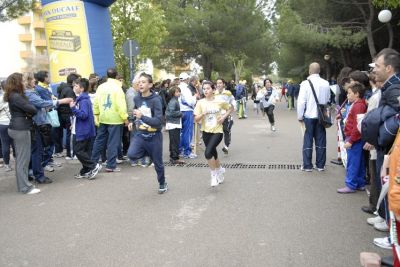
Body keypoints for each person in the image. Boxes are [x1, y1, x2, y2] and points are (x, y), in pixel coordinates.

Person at [25, 72, 73, 184]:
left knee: (37, 149)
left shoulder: (32, 91)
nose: (34, 81)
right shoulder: (31, 93)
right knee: (39, 150)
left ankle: (32, 171)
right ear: (28, 81)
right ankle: (39, 174)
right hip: (38, 124)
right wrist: (61, 101)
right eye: (32, 80)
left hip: (36, 123)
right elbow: (42, 103)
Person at [127, 73, 168, 194]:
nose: (140, 84)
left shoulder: (156, 100)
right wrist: (131, 120)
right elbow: (135, 112)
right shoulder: (137, 98)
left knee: (158, 164)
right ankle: (149, 154)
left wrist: (142, 117)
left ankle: (162, 183)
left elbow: (158, 122)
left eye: (144, 82)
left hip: (154, 136)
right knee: (131, 155)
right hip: (140, 134)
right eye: (139, 82)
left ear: (150, 85)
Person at [4, 73, 40, 194]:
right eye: (23, 81)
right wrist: (28, 113)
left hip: (17, 127)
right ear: (17, 82)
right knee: (23, 160)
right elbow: (33, 109)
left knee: (21, 159)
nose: (25, 83)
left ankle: (24, 185)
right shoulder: (17, 96)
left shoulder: (12, 95)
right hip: (21, 129)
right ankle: (25, 187)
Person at [194, 81, 233, 187]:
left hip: (218, 131)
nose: (206, 90)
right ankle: (220, 170)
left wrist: (224, 117)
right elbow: (196, 119)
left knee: (207, 153)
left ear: (213, 89)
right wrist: (203, 114)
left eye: (208, 88)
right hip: (206, 132)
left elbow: (231, 108)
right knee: (213, 154)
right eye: (204, 89)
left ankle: (213, 175)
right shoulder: (200, 102)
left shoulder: (219, 101)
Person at [91, 68, 129, 172]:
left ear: (107, 75)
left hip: (103, 117)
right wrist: (125, 118)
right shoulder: (118, 88)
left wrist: (96, 114)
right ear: (116, 76)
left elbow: (96, 102)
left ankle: (92, 163)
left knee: (99, 141)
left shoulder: (101, 87)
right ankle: (111, 165)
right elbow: (121, 105)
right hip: (115, 119)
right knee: (113, 142)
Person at [297, 62, 331, 171]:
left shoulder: (305, 83)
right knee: (321, 139)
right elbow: (328, 99)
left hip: (309, 115)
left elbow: (301, 102)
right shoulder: (326, 83)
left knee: (308, 139)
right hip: (322, 116)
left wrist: (300, 116)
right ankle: (320, 165)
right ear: (319, 71)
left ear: (309, 70)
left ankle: (307, 165)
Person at [337, 82, 367, 193]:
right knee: (359, 162)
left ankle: (351, 184)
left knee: (352, 162)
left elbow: (357, 126)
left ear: (357, 94)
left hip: (354, 138)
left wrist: (351, 140)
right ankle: (360, 183)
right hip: (357, 138)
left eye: (349, 93)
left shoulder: (358, 105)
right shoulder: (360, 104)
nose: (347, 95)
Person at [70, 78, 102, 179]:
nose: (74, 87)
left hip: (83, 130)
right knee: (85, 152)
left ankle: (93, 165)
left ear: (82, 88)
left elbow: (84, 115)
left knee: (78, 150)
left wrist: (73, 108)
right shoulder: (82, 98)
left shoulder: (83, 100)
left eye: (76, 86)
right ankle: (85, 171)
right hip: (85, 129)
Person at [54, 73, 79, 159]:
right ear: (73, 82)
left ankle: (65, 152)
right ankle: (70, 154)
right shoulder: (69, 90)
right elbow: (71, 102)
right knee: (71, 134)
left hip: (62, 114)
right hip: (68, 114)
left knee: (65, 134)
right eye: (77, 81)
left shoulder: (64, 88)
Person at [178, 72, 197, 159]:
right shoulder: (186, 89)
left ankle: (180, 150)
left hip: (179, 111)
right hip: (187, 111)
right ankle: (187, 152)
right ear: (187, 80)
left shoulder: (177, 88)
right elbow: (190, 101)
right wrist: (195, 97)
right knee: (187, 132)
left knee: (181, 132)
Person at [215, 78, 236, 154]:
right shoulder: (214, 93)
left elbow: (233, 101)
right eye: (217, 83)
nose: (219, 84)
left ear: (223, 84)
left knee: (226, 130)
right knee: (217, 132)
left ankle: (226, 146)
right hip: (217, 115)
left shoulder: (228, 93)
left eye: (220, 83)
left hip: (226, 114)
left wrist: (233, 107)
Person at [165, 86, 184, 164]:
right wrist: (180, 113)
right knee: (175, 141)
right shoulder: (174, 101)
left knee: (173, 141)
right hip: (173, 123)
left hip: (173, 123)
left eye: (179, 91)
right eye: (177, 92)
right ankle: (174, 158)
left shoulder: (174, 100)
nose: (179, 93)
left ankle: (173, 156)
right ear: (173, 93)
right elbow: (171, 112)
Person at [0, 79, 13, 171]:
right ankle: (18, 160)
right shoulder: (13, 96)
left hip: (3, 124)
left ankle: (7, 165)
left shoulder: (1, 98)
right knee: (15, 143)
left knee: (5, 144)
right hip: (14, 123)